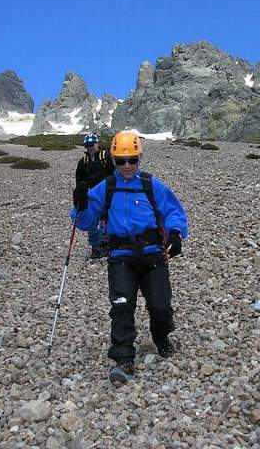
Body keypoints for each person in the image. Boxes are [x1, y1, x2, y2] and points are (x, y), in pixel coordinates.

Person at [71, 131, 189, 383]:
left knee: (160, 306)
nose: (127, 166)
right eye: (121, 161)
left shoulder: (150, 184)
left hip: (153, 255)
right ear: (113, 160)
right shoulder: (106, 188)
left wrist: (176, 233)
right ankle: (123, 358)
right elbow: (86, 222)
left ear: (139, 158)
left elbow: (173, 212)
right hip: (120, 257)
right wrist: (80, 205)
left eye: (132, 160)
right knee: (121, 306)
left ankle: (161, 336)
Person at [74, 133, 115, 259]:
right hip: (91, 195)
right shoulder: (83, 162)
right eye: (87, 145)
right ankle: (96, 247)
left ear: (97, 144)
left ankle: (105, 244)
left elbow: (114, 174)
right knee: (93, 221)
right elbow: (79, 179)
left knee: (106, 219)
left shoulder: (105, 157)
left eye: (91, 144)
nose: (90, 147)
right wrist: (81, 193)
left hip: (107, 193)